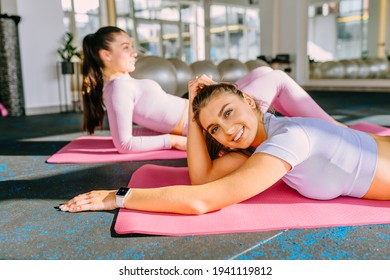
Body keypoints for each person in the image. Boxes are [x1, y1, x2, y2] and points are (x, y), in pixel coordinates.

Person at [60, 77, 390, 214]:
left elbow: (202, 200)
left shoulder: (289, 140)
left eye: (229, 112)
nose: (228, 130)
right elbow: (203, 180)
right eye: (214, 128)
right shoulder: (257, 147)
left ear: (249, 99)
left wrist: (115, 197)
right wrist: (193, 109)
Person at [81, 26, 342, 153]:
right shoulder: (117, 89)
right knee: (276, 77)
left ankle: (313, 125)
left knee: (262, 72)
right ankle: (338, 130)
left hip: (204, 108)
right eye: (126, 46)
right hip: (206, 120)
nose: (134, 52)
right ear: (106, 54)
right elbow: (123, 143)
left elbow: (142, 122)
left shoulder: (122, 85)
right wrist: (174, 141)